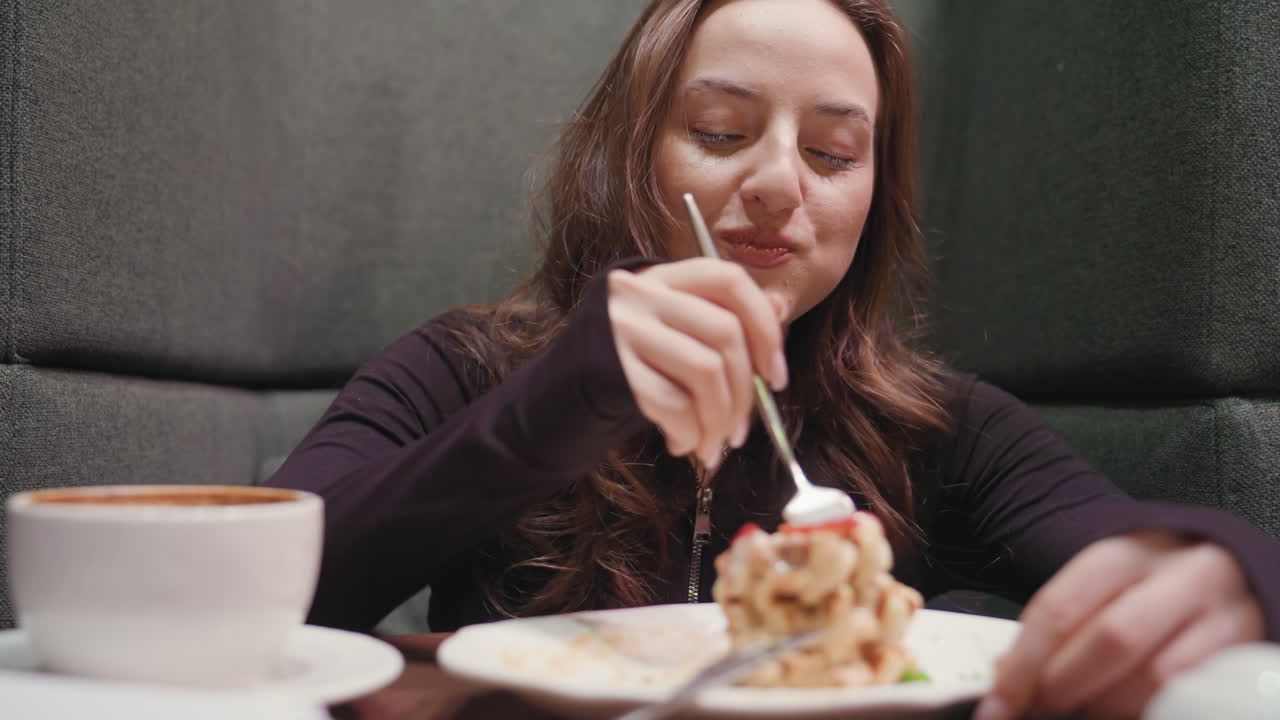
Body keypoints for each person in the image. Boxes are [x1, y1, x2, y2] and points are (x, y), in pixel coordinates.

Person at [267, 0, 1280, 717]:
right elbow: (268, 600)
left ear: (871, 196)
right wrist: (544, 415)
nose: (776, 182)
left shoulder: (942, 428)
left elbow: (1131, 542)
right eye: (719, 131)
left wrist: (1224, 571)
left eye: (832, 154)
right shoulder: (460, 371)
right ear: (632, 155)